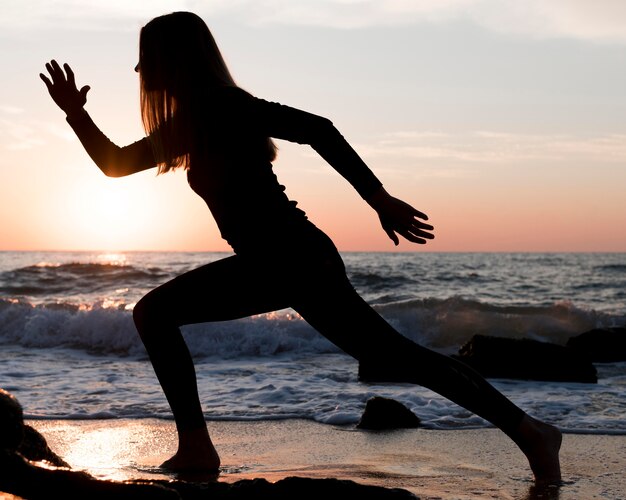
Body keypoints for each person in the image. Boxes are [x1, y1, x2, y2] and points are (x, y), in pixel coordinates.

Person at [40, 11, 562, 485]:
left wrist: (377, 198)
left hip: (289, 256)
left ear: (172, 59)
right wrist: (74, 113)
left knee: (155, 313)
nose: (137, 70)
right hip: (283, 259)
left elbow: (319, 129)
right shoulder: (192, 122)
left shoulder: (224, 105)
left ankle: (198, 448)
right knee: (396, 356)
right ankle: (530, 431)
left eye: (144, 58)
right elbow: (115, 164)